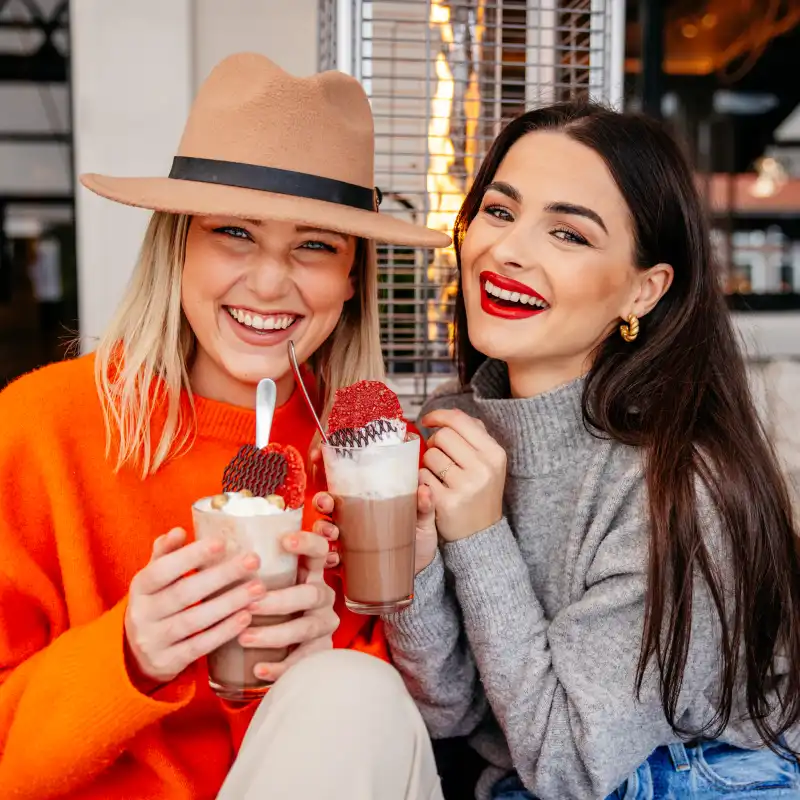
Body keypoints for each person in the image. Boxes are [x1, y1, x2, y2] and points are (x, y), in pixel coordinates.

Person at [0, 52, 449, 799]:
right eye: (234, 232)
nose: (270, 282)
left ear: (349, 280)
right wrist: (130, 653)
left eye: (314, 245)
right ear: (179, 246)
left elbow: (412, 742)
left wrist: (321, 657)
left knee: (350, 692)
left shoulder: (375, 466)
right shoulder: (42, 428)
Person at [378, 102, 800, 799]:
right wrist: (416, 563)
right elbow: (449, 711)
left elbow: (571, 766)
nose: (508, 250)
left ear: (644, 289)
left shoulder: (679, 484)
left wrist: (481, 537)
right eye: (499, 211)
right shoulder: (455, 428)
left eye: (568, 233)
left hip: (702, 779)